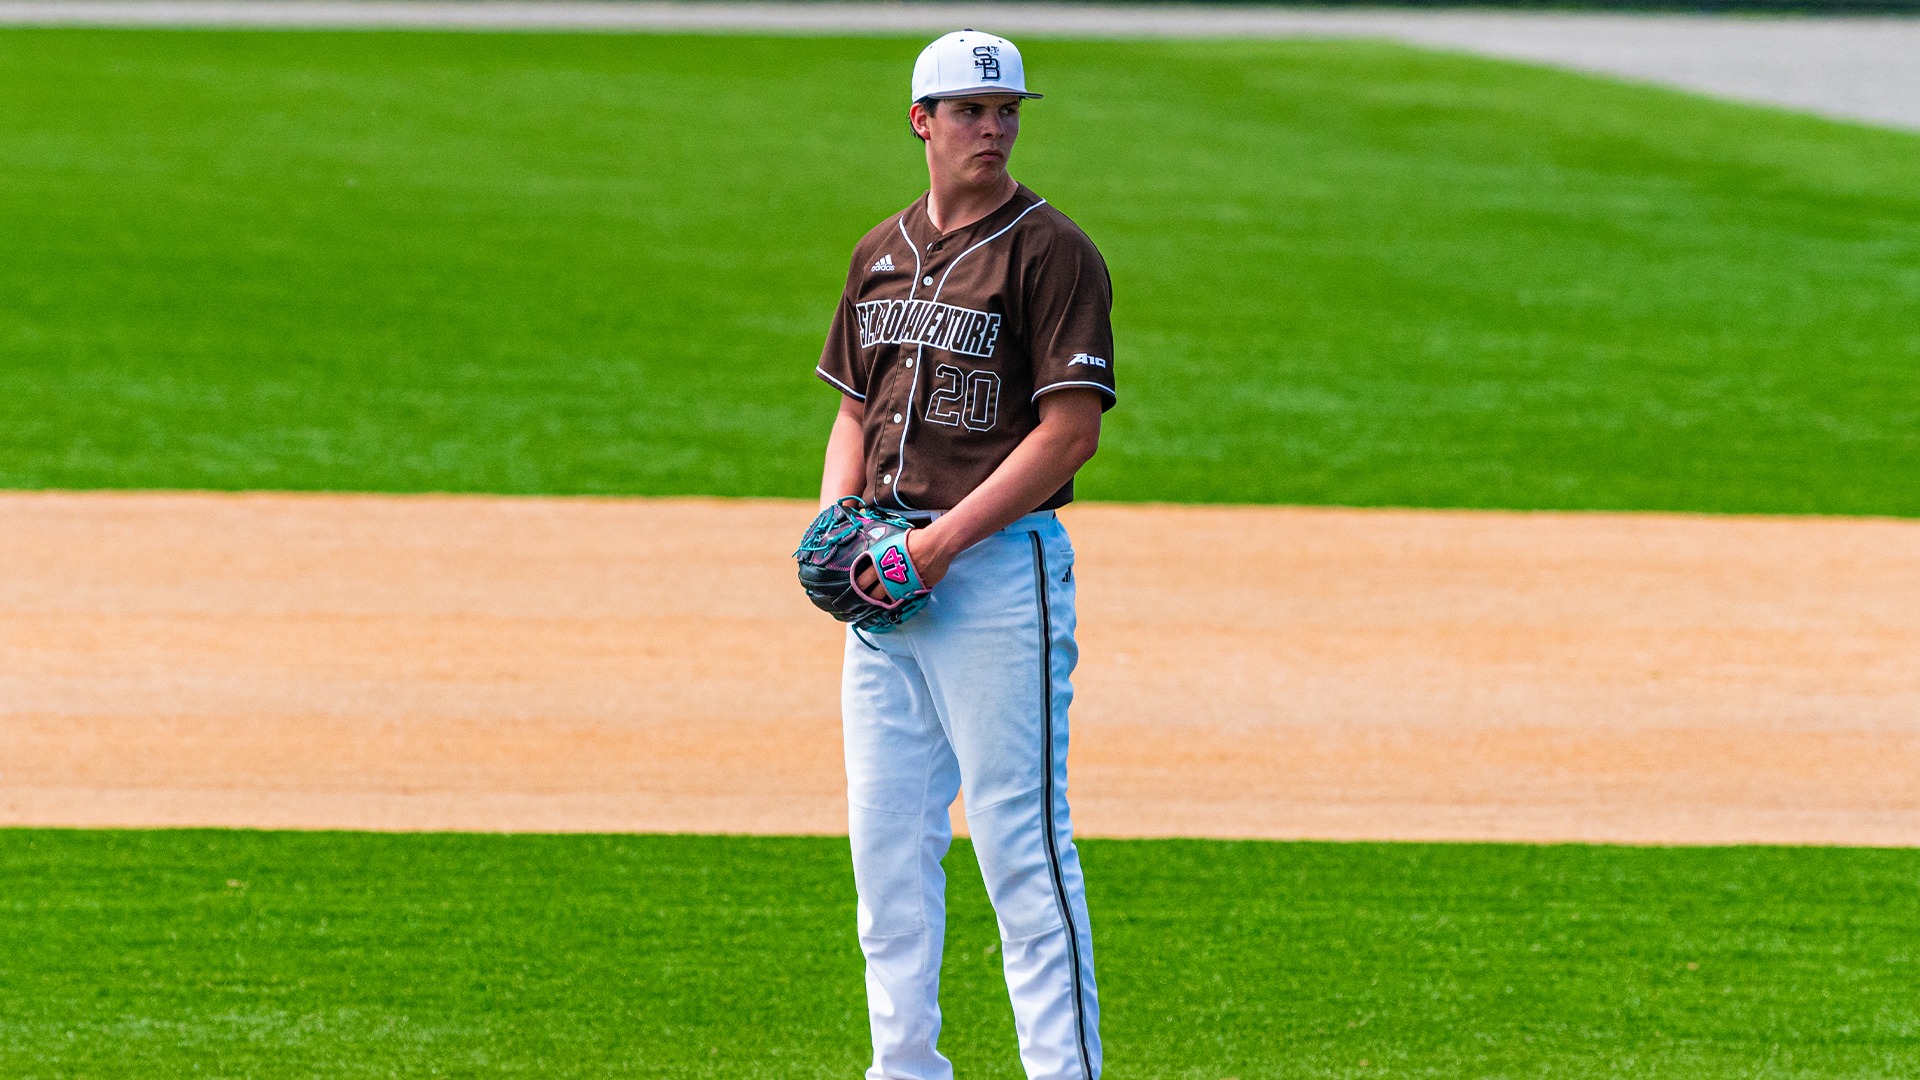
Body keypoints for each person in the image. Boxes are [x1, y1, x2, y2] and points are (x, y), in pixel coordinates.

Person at [811, 28, 1117, 1080]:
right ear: (922, 122)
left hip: (994, 580)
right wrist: (835, 525)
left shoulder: (1052, 250)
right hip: (884, 587)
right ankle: (902, 1068)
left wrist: (939, 545)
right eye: (971, 111)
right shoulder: (879, 249)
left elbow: (1069, 432)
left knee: (1021, 851)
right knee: (887, 860)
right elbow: (854, 408)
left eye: (1007, 112)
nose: (993, 128)